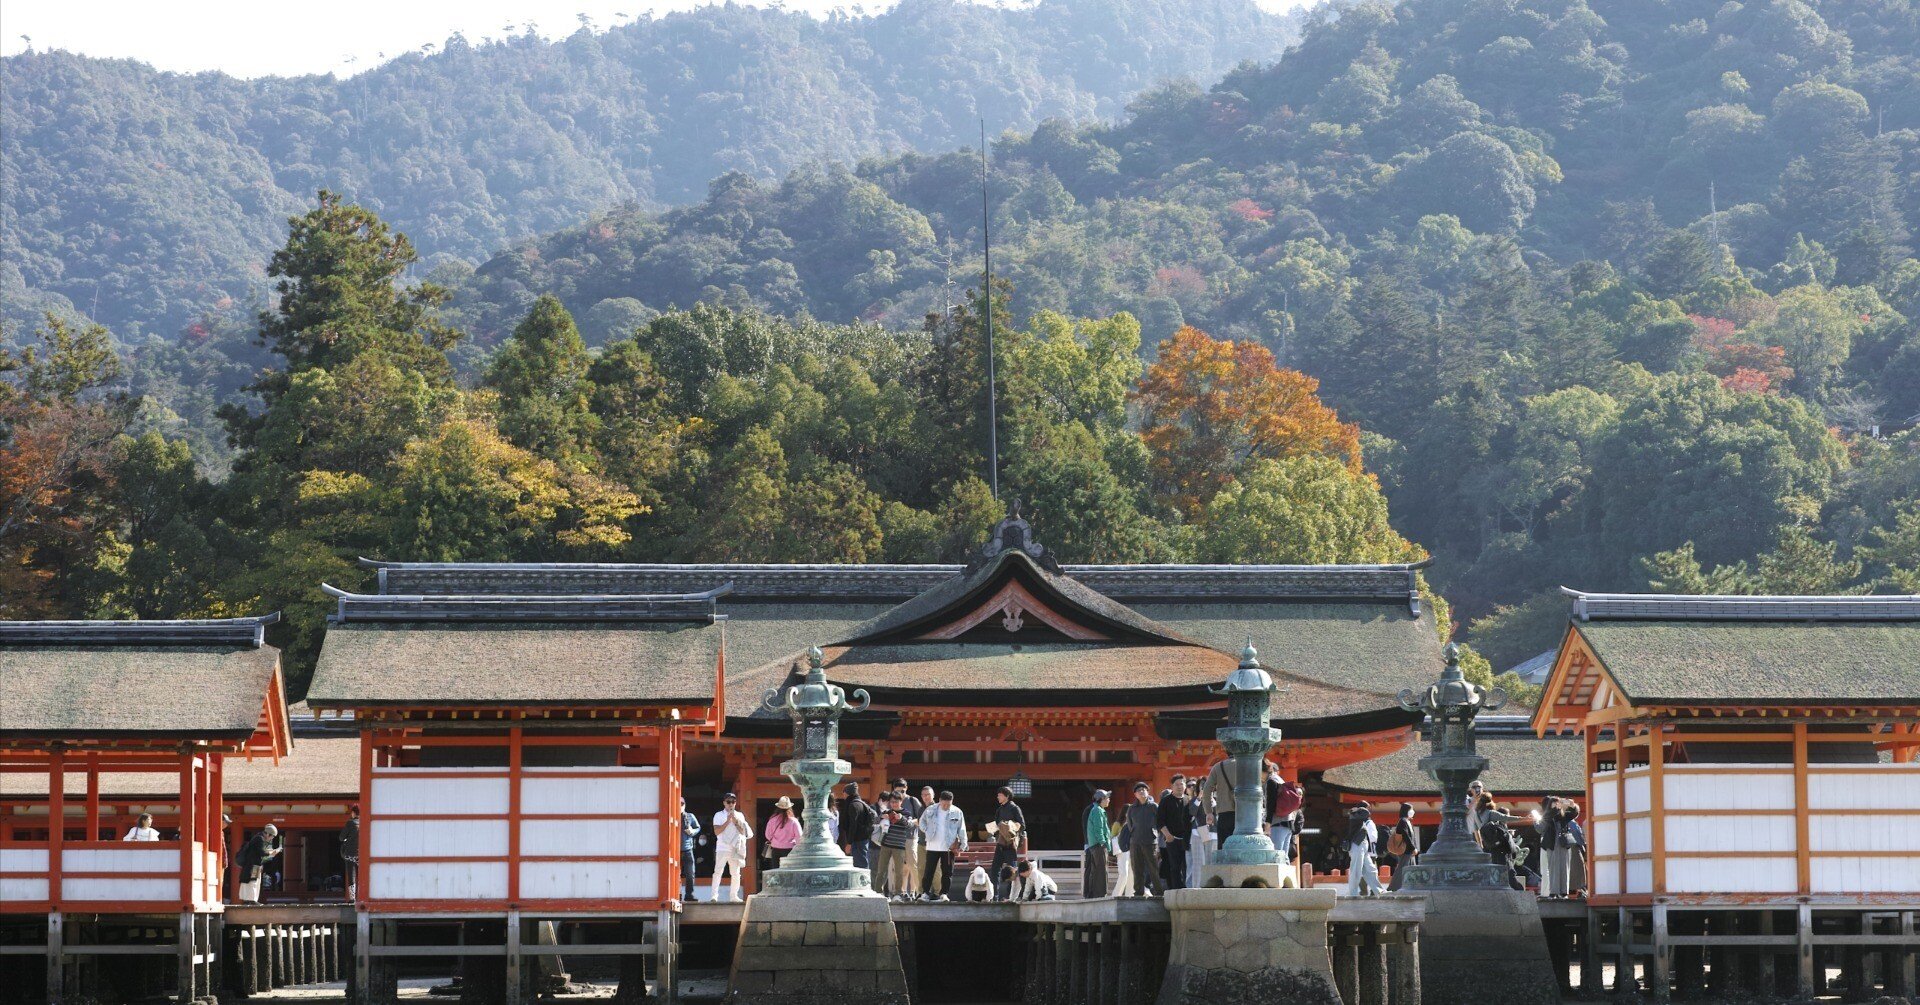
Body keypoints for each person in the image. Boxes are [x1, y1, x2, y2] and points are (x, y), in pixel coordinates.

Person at [919, 790, 967, 901]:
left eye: (948, 804)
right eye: (944, 804)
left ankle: (944, 893)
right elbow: (922, 822)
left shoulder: (957, 811)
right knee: (929, 871)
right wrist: (926, 829)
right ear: (939, 800)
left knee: (947, 872)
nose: (946, 806)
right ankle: (925, 892)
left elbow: (962, 829)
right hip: (932, 845)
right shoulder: (930, 809)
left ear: (952, 802)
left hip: (949, 847)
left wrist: (963, 845)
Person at [711, 793, 752, 903]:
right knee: (718, 872)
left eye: (733, 802)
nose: (731, 804)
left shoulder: (740, 815)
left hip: (735, 848)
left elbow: (744, 832)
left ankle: (734, 896)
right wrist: (727, 821)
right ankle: (714, 896)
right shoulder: (718, 815)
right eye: (728, 802)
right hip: (722, 848)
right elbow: (716, 831)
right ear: (724, 803)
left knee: (736, 873)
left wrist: (736, 822)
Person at [1123, 783, 1162, 897]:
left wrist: (1154, 834)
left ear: (1148, 792)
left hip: (1150, 841)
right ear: (1135, 794)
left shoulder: (1154, 806)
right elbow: (1129, 824)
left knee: (1153, 868)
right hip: (1135, 842)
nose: (1142, 791)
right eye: (1139, 790)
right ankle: (1138, 892)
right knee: (1137, 868)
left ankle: (1158, 892)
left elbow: (1160, 822)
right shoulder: (1132, 808)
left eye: (1144, 789)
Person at [875, 793, 916, 898]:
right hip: (885, 845)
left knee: (899, 872)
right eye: (892, 802)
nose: (894, 804)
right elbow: (875, 821)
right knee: (881, 870)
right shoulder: (886, 812)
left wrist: (901, 818)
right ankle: (878, 892)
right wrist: (881, 817)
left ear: (901, 802)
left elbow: (909, 825)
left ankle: (898, 893)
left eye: (896, 802)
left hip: (899, 846)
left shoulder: (906, 813)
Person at [990, 786, 1027, 899]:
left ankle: (1010, 896)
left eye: (1000, 795)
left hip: (1010, 844)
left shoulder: (1014, 808)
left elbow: (1022, 825)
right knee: (994, 869)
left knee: (1012, 871)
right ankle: (994, 896)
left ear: (1006, 796)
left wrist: (1010, 826)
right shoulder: (999, 809)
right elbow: (996, 826)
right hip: (1001, 842)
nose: (998, 797)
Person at [1156, 775, 1192, 890]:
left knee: (1187, 865)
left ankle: (1186, 888)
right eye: (1177, 784)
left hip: (1187, 838)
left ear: (1185, 785)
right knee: (1174, 866)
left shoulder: (1188, 800)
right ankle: (1174, 889)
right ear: (1172, 786)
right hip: (1172, 838)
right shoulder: (1166, 801)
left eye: (1182, 784)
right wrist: (1167, 835)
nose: (1179, 786)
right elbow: (1159, 821)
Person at [762, 796, 801, 888]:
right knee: (789, 871)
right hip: (790, 850)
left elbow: (768, 835)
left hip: (776, 849)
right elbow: (799, 837)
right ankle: (789, 888)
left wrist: (775, 840)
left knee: (776, 871)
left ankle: (777, 888)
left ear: (778, 808)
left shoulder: (772, 820)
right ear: (789, 807)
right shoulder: (794, 821)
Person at [1200, 757, 1239, 849]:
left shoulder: (1218, 767)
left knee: (1224, 848)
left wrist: (1209, 812)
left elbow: (1206, 789)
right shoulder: (1245, 764)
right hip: (1243, 813)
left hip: (1224, 813)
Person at [236, 824, 281, 903]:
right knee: (253, 882)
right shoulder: (259, 839)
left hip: (254, 865)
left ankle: (250, 900)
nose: (271, 839)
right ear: (268, 834)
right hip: (254, 865)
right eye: (272, 836)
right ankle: (252, 900)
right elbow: (262, 852)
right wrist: (272, 852)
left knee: (253, 882)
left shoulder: (257, 838)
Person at [1345, 804, 1382, 897]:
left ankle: (1379, 891)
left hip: (1362, 845)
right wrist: (1361, 808)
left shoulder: (1358, 817)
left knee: (1371, 869)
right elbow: (1366, 813)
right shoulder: (1355, 815)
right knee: (1356, 871)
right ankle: (1353, 893)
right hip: (1357, 845)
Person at [1082, 789, 1112, 899]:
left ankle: (1094, 894)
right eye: (1107, 798)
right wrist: (1104, 843)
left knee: (1096, 871)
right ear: (1102, 799)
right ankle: (1100, 895)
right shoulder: (1097, 810)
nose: (1109, 800)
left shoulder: (1096, 809)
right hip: (1098, 845)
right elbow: (1098, 830)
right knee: (1101, 872)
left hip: (1095, 845)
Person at [1535, 796, 1565, 897]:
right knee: (1553, 870)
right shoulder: (1560, 815)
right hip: (1558, 845)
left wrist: (1535, 821)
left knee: (1545, 870)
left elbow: (1540, 829)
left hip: (1547, 844)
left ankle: (1546, 892)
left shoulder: (1547, 816)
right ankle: (1553, 892)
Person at [1270, 772, 1305, 862]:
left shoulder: (1272, 782)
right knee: (1284, 856)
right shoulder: (1283, 784)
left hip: (1278, 823)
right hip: (1288, 825)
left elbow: (1270, 804)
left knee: (1276, 854)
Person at [840, 782, 875, 871]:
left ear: (847, 793)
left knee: (860, 865)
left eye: (843, 792)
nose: (843, 794)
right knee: (862, 862)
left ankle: (862, 884)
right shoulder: (860, 803)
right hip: (863, 839)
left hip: (857, 841)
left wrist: (849, 843)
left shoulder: (853, 805)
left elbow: (853, 825)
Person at [1385, 802, 1420, 891]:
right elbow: (1406, 836)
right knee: (1402, 869)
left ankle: (1412, 886)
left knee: (1411, 868)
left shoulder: (1408, 821)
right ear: (1406, 811)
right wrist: (1413, 848)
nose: (1412, 811)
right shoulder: (1402, 821)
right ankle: (1393, 887)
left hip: (1410, 850)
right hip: (1405, 850)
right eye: (1411, 809)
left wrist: (1415, 847)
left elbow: (1412, 837)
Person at [1562, 802, 1588, 898]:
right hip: (1574, 848)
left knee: (1571, 872)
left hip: (1568, 848)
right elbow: (1580, 839)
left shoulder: (1566, 822)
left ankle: (1571, 891)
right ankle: (1581, 890)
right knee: (1578, 872)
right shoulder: (1572, 824)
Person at [678, 797, 701, 901]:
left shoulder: (690, 816)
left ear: (685, 805)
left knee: (690, 873)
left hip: (687, 848)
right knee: (675, 873)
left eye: (682, 804)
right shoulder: (671, 816)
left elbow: (698, 827)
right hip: (674, 849)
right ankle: (677, 894)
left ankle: (689, 894)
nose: (680, 806)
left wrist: (692, 831)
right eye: (678, 804)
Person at [338, 807, 360, 895]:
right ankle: (361, 895)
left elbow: (341, 837)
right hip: (362, 853)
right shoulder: (365, 823)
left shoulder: (350, 823)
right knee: (361, 875)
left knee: (351, 875)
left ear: (353, 813)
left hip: (350, 853)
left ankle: (352, 897)